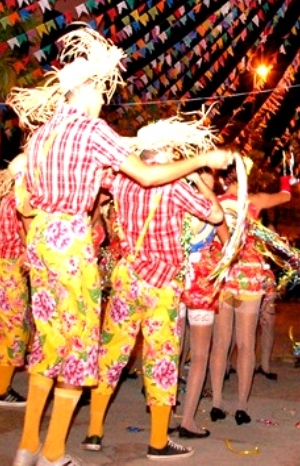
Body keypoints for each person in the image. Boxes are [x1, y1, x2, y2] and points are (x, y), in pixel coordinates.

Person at [6, 27, 234, 466]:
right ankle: (52, 453)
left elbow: (26, 200)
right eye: (103, 90)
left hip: (40, 243)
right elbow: (147, 177)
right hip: (72, 242)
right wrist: (204, 161)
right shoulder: (92, 129)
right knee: (79, 348)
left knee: (48, 342)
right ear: (91, 89)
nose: (106, 98)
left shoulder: (40, 135)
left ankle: (27, 446)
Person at [83, 117, 225, 460]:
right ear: (164, 153)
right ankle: (158, 441)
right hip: (161, 285)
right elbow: (218, 217)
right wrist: (197, 179)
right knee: (161, 361)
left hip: (128, 277)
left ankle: (93, 431)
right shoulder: (175, 188)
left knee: (112, 354)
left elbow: (100, 181)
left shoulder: (122, 182)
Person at [209, 164, 293, 427]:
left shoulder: (213, 203)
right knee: (246, 343)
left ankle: (217, 403)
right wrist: (287, 178)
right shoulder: (254, 201)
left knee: (221, 342)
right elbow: (285, 195)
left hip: (225, 279)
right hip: (249, 279)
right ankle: (241, 406)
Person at [176, 169, 228, 438]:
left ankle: (185, 419)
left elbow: (228, 243)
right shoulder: (194, 206)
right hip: (187, 279)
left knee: (196, 354)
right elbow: (228, 243)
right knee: (176, 351)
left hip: (190, 280)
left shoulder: (180, 203)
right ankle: (180, 418)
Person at [0, 155, 32, 408]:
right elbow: (29, 235)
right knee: (16, 332)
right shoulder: (22, 200)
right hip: (8, 272)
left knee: (5, 330)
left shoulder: (7, 199)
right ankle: (1, 390)